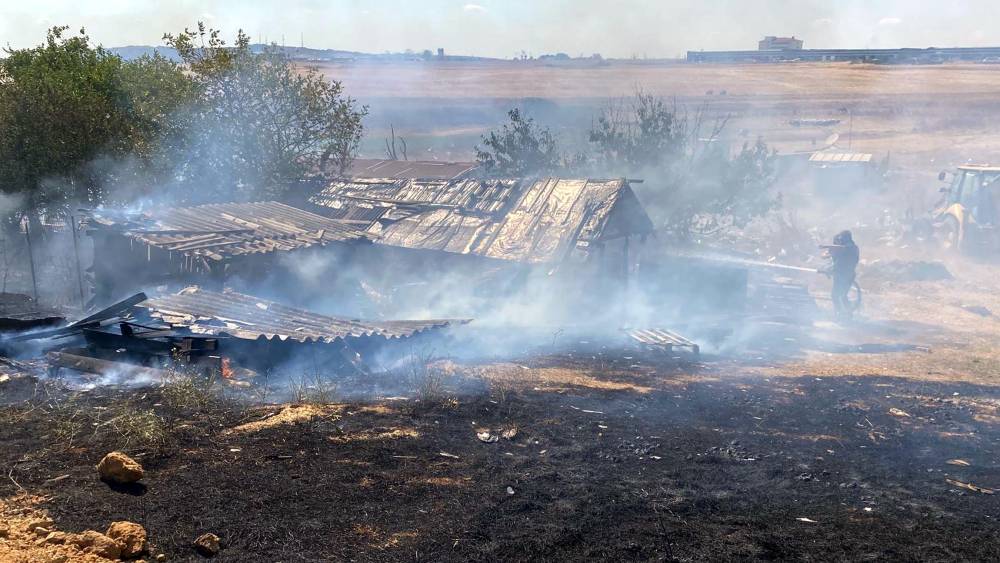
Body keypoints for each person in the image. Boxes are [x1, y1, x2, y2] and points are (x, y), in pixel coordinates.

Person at [821, 230, 860, 318]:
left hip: (845, 275)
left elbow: (841, 259)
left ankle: (843, 314)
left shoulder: (851, 248)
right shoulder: (845, 248)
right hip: (842, 275)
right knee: (841, 296)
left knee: (839, 296)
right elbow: (826, 256)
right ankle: (843, 314)